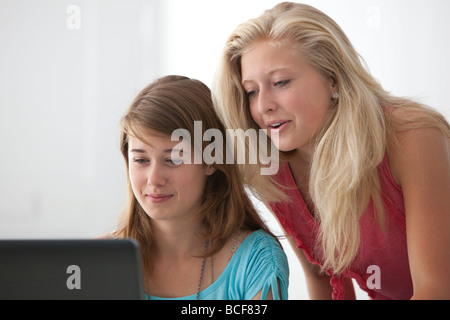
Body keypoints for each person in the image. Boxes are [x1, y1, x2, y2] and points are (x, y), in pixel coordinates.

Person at [212, 2, 450, 300]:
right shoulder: (272, 165)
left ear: (333, 79)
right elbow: (321, 278)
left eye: (280, 82)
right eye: (252, 91)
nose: (263, 106)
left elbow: (436, 288)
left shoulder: (412, 136)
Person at [102, 75, 289, 300]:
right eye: (141, 161)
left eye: (173, 159)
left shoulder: (256, 260)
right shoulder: (96, 260)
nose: (154, 180)